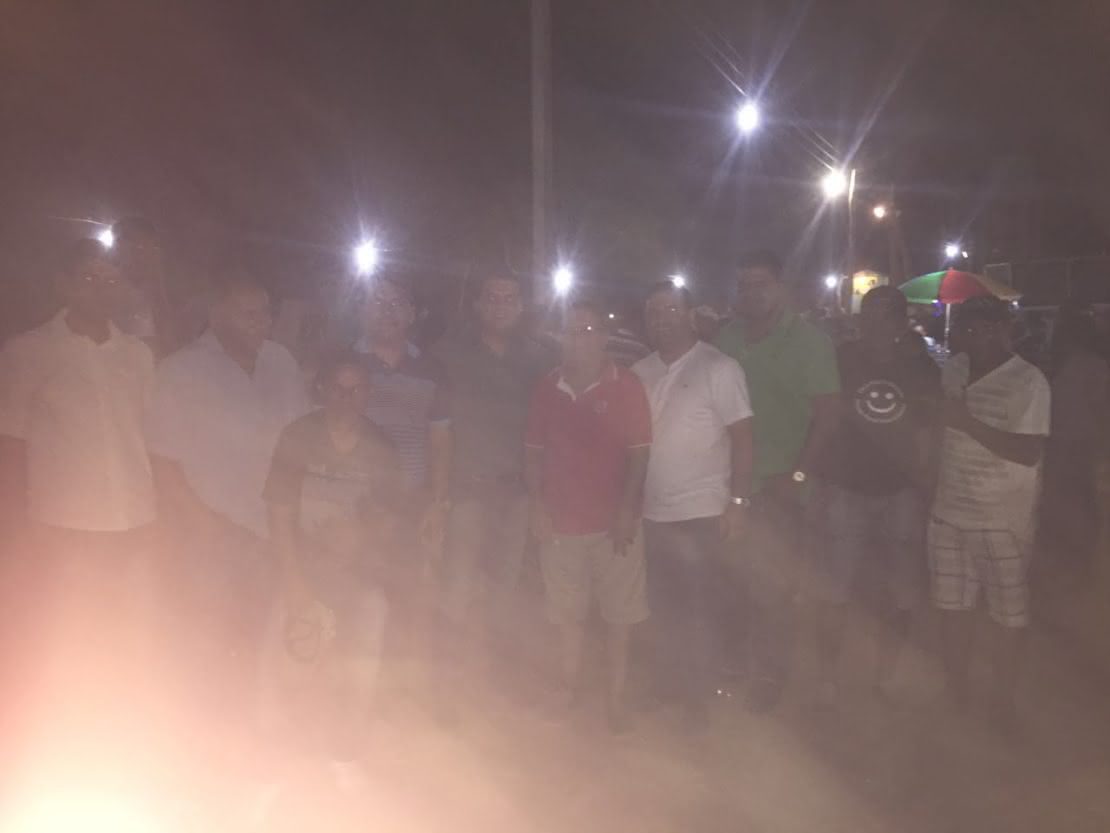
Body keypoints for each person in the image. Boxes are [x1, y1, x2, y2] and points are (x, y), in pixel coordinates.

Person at [0, 237, 157, 759]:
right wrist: (17, 524)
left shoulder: (137, 355)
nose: (102, 289)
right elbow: (11, 443)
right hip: (62, 523)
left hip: (133, 517)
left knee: (123, 634)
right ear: (65, 285)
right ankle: (56, 740)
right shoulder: (29, 350)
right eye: (89, 278)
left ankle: (111, 738)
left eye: (111, 280)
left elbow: (146, 433)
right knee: (62, 635)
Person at [146, 276, 309, 717]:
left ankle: (247, 729)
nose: (261, 322)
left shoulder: (281, 362)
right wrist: (208, 529)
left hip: (273, 534)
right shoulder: (179, 372)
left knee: (259, 643)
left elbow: (302, 443)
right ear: (217, 315)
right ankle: (198, 732)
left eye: (266, 312)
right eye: (247, 313)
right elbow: (163, 463)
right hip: (211, 539)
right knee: (206, 646)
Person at [264, 351, 401, 785]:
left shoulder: (381, 446)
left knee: (359, 665)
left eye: (356, 389)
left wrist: (359, 533)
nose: (346, 398)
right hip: (303, 571)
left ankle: (346, 750)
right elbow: (279, 513)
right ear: (321, 389)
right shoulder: (298, 436)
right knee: (291, 664)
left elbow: (389, 517)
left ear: (368, 393)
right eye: (338, 388)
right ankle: (284, 751)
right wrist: (294, 584)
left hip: (359, 579)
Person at [715, 250, 840, 712]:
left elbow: (829, 417)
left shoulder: (810, 342)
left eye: (761, 284)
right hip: (732, 486)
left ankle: (769, 675)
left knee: (774, 590)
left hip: (782, 488)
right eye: (744, 284)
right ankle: (731, 667)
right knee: (731, 583)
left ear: (781, 289)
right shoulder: (727, 337)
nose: (751, 293)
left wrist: (799, 473)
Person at [525, 299, 652, 733]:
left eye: (588, 330)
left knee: (620, 617)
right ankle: (568, 690)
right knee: (566, 617)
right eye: (571, 331)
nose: (579, 339)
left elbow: (639, 454)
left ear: (604, 337)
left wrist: (627, 509)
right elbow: (533, 452)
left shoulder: (627, 385)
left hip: (614, 525)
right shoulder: (547, 386)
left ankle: (615, 700)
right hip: (560, 524)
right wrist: (537, 505)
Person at [632, 281, 753, 730]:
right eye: (653, 311)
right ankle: (667, 685)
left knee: (699, 609)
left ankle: (697, 702)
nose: (661, 319)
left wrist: (738, 502)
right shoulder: (640, 371)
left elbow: (744, 439)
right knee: (662, 606)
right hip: (652, 512)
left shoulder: (719, 367)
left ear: (689, 314)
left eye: (670, 310)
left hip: (702, 511)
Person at [812, 286, 940, 705]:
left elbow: (928, 430)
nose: (877, 324)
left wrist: (924, 484)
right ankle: (827, 677)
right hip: (846, 487)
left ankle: (886, 676)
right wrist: (818, 479)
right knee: (835, 587)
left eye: (886, 315)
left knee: (900, 591)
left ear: (901, 322)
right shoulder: (842, 358)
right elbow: (826, 416)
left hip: (901, 491)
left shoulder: (920, 365)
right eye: (869, 314)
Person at [930, 296, 1050, 726]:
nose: (970, 338)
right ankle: (956, 691)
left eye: (980, 329)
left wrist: (966, 422)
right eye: (964, 330)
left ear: (1003, 329)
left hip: (1001, 519)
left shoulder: (1028, 381)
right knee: (952, 608)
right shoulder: (954, 368)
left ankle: (1002, 701)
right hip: (948, 512)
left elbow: (1028, 452)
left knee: (1008, 616)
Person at [432, 274, 550, 695]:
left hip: (515, 494)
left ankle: (495, 680)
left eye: (509, 298)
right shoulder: (449, 355)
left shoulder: (538, 359)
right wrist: (438, 498)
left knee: (505, 590)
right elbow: (438, 429)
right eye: (492, 297)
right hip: (467, 491)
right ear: (478, 304)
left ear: (521, 306)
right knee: (457, 589)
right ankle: (446, 682)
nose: (500, 305)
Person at [1039, 304, 1109, 583]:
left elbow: (1103, 411)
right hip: (1061, 445)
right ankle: (1071, 564)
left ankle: (1076, 566)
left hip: (1078, 446)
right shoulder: (1057, 364)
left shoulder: (1091, 367)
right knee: (1068, 505)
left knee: (1076, 504)